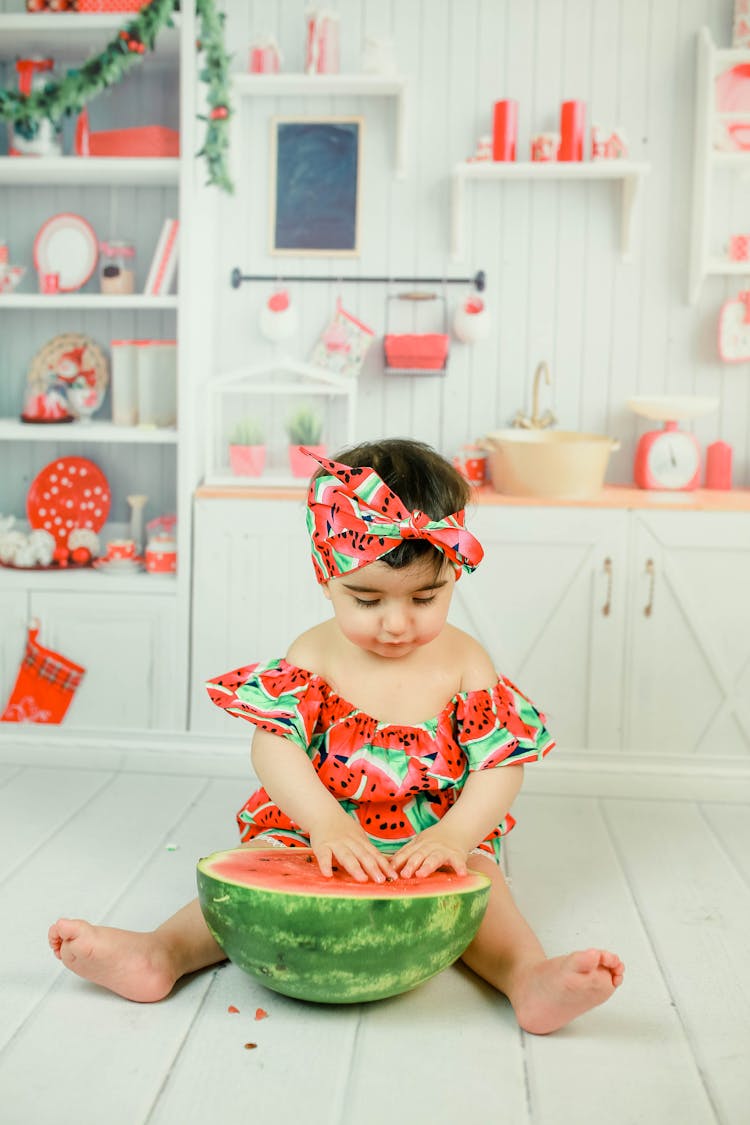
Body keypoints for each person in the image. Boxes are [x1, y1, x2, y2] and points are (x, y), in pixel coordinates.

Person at [49, 438, 624, 1034]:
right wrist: (323, 822)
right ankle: (161, 953)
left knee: (484, 890)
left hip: (434, 832)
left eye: (425, 598)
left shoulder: (465, 663)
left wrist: (456, 836)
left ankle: (526, 977)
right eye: (367, 599)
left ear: (455, 570)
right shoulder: (313, 655)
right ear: (326, 575)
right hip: (313, 824)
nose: (396, 624)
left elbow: (501, 763)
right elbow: (274, 744)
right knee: (249, 885)